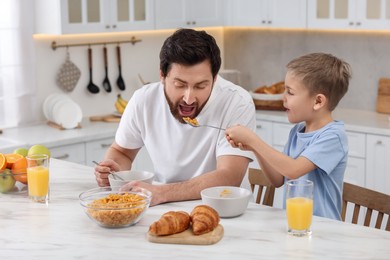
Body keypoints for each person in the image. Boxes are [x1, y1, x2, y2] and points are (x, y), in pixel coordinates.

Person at [94, 28, 256, 206]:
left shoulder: (236, 101)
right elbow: (121, 151)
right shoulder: (144, 99)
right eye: (180, 84)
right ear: (162, 75)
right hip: (164, 205)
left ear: (215, 78)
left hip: (223, 208)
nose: (189, 98)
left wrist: (162, 193)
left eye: (201, 86)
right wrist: (115, 173)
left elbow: (229, 176)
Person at [225, 53, 351, 220]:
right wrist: (253, 147)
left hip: (324, 229)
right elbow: (278, 179)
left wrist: (253, 139)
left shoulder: (334, 136)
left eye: (290, 92)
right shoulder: (298, 131)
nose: (283, 97)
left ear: (318, 101)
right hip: (295, 224)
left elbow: (294, 170)